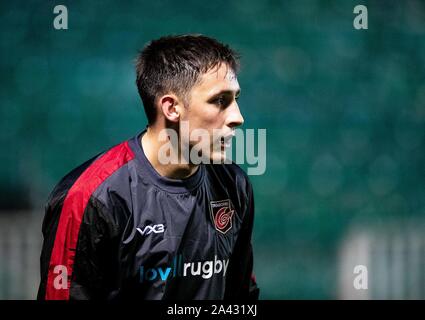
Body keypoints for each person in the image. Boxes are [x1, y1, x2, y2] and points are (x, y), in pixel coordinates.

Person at [37, 34, 259, 300]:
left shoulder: (233, 185)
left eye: (235, 99)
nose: (238, 117)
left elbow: (241, 296)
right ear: (172, 108)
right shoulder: (89, 198)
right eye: (220, 101)